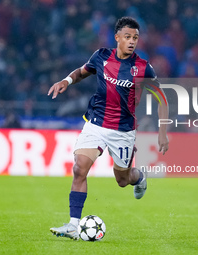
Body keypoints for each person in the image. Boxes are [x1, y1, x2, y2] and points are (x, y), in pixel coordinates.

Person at [48, 17, 169, 240]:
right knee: (79, 168)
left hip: (123, 130)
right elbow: (82, 71)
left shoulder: (142, 68)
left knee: (122, 180)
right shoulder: (101, 56)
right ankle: (74, 225)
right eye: (127, 37)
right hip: (96, 122)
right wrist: (66, 80)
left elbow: (162, 99)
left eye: (135, 38)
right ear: (117, 38)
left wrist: (162, 132)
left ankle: (139, 177)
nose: (132, 41)